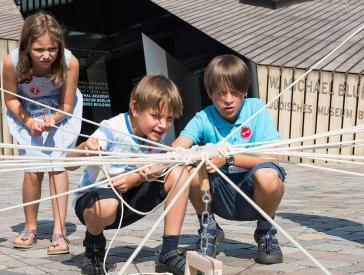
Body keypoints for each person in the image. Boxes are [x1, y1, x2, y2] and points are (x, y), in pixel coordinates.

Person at [67, 75, 190, 275]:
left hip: (130, 202)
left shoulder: (156, 135)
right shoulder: (112, 129)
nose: (163, 125)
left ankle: (169, 250)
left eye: (169, 118)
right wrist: (84, 148)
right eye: (156, 116)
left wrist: (138, 177)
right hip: (96, 203)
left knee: (179, 172)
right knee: (106, 206)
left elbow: (156, 166)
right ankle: (94, 247)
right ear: (135, 108)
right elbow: (67, 164)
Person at [172, 54, 286, 264]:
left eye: (235, 92)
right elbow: (179, 145)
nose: (228, 99)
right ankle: (209, 228)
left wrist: (229, 158)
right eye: (220, 93)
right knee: (190, 166)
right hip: (218, 194)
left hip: (254, 195)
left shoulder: (256, 110)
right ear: (209, 93)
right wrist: (183, 153)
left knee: (268, 173)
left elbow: (273, 157)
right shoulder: (204, 117)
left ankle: (266, 232)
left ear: (244, 90)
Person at [3, 11, 83, 255]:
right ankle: (30, 227)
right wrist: (28, 122)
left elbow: (67, 106)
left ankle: (59, 231)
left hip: (60, 111)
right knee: (34, 165)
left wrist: (52, 119)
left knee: (57, 163)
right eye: (39, 50)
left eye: (52, 48)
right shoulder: (11, 62)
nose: (47, 55)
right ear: (27, 46)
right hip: (26, 110)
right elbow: (10, 100)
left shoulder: (70, 62)